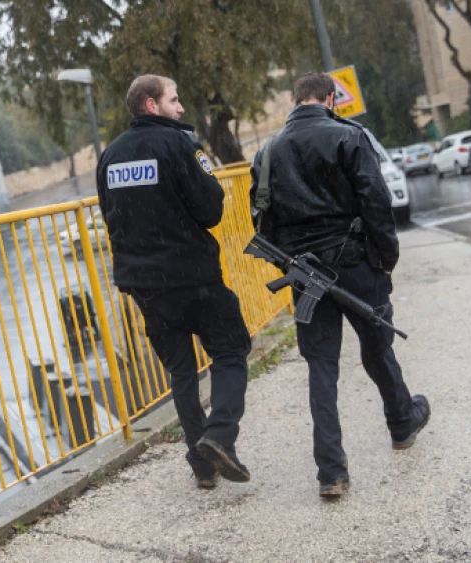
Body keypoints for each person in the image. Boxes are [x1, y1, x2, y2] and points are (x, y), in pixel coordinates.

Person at [249, 72, 431, 498]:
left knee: (321, 367)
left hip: (306, 273)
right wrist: (386, 257)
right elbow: (375, 200)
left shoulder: (268, 151)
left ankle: (331, 471)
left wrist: (293, 259)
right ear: (331, 99)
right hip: (356, 265)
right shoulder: (348, 136)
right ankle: (402, 421)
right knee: (377, 344)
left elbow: (261, 218)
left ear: (295, 101)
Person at [96, 75, 253, 489]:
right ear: (152, 105)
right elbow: (209, 211)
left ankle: (202, 467)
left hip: (147, 287)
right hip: (193, 276)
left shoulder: (110, 157)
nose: (181, 108)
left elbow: (111, 218)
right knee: (232, 350)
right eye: (174, 99)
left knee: (182, 372)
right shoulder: (180, 144)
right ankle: (219, 435)